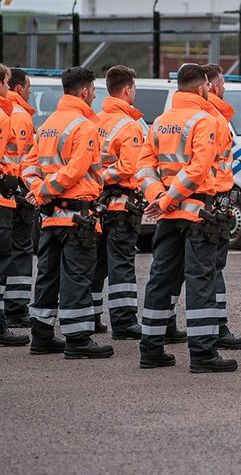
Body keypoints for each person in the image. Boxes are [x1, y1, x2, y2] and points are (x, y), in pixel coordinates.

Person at [137, 63, 236, 373]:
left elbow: (143, 167)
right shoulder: (206, 121)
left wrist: (158, 198)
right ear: (201, 88)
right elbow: (198, 168)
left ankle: (150, 349)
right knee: (200, 281)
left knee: (160, 279)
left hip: (168, 215)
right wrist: (167, 198)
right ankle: (203, 354)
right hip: (199, 214)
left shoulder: (160, 122)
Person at [22, 66, 112, 359]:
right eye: (94, 91)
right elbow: (77, 169)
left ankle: (42, 335)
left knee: (48, 274)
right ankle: (77, 339)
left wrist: (39, 191)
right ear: (84, 91)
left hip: (49, 217)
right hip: (76, 217)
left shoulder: (48, 124)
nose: (95, 96)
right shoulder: (84, 126)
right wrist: (47, 190)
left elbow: (29, 167)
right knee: (76, 276)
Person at [198, 64, 241, 350]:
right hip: (213, 201)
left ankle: (164, 325)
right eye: (223, 84)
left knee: (172, 269)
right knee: (212, 267)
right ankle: (216, 327)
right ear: (214, 87)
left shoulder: (186, 116)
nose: (225, 89)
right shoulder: (215, 118)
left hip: (187, 202)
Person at [92, 65, 146, 340]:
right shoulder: (130, 125)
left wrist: (97, 179)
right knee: (121, 264)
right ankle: (124, 323)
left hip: (95, 204)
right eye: (134, 88)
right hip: (121, 206)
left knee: (97, 263)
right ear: (127, 90)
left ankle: (89, 316)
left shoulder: (96, 120)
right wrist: (107, 177)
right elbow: (129, 167)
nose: (134, 92)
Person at [0, 68, 37, 329]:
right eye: (29, 88)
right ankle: (16, 309)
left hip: (9, 190)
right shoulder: (19, 116)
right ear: (19, 89)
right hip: (16, 192)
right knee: (19, 250)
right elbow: (24, 159)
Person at [0, 63, 26, 347]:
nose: (8, 90)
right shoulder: (4, 117)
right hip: (3, 199)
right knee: (3, 257)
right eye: (6, 84)